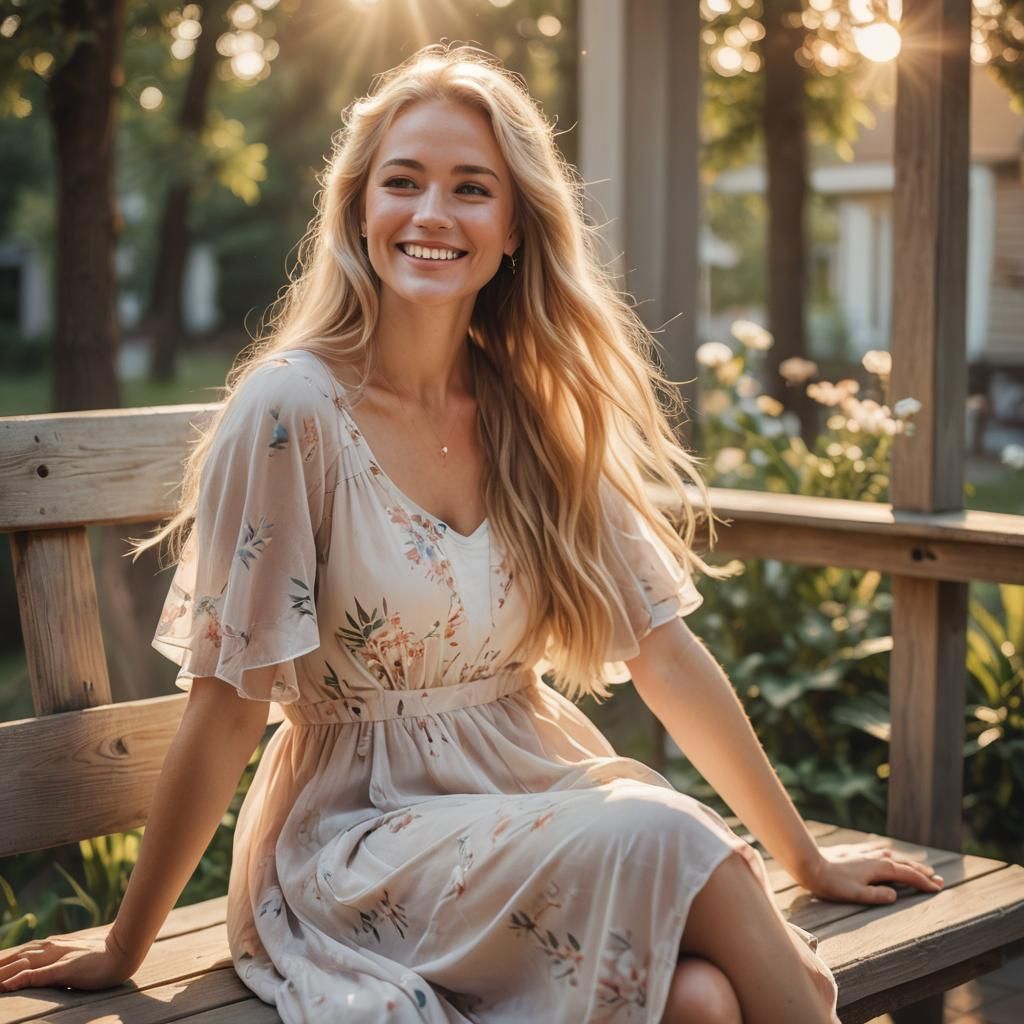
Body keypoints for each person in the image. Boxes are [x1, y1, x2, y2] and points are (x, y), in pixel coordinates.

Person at [0, 43, 943, 1024]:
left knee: (698, 1002)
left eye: (471, 188)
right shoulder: (291, 412)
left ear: (514, 230)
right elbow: (228, 706)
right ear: (359, 210)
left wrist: (804, 858)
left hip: (521, 791)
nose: (431, 214)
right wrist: (125, 943)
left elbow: (661, 648)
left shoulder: (530, 406)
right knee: (659, 834)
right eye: (402, 182)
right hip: (358, 842)